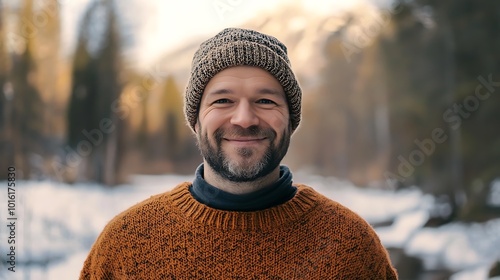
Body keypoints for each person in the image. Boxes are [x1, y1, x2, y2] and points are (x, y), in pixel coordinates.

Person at [80, 28, 398, 279]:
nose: (244, 119)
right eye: (223, 101)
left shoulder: (350, 245)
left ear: (290, 119)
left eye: (265, 101)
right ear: (196, 119)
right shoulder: (126, 243)